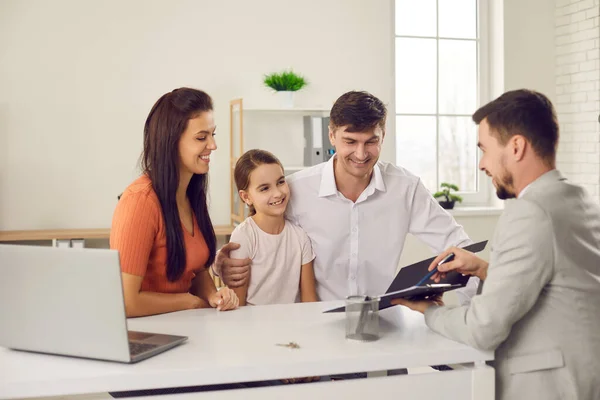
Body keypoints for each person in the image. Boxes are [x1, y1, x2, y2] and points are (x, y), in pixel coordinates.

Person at [394, 89, 600, 400]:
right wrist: (483, 269)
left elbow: (482, 329)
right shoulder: (577, 199)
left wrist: (427, 311)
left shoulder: (529, 213)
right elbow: (560, 287)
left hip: (547, 387)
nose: (481, 164)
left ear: (516, 147)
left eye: (485, 150)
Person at [215, 91, 477, 304]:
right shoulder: (297, 189)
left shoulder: (405, 188)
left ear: (383, 136)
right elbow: (263, 235)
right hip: (316, 321)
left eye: (371, 142)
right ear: (332, 136)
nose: (361, 154)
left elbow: (456, 244)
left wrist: (482, 297)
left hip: (381, 317)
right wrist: (224, 264)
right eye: (350, 141)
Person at [110, 88, 238, 317]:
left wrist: (211, 294)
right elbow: (125, 302)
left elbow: (194, 270)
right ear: (170, 142)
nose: (213, 145)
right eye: (201, 137)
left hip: (186, 328)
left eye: (213, 135)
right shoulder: (140, 202)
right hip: (147, 335)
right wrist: (189, 302)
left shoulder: (190, 194)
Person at [229, 149, 318, 306]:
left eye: (280, 182)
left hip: (294, 327)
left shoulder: (299, 237)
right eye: (264, 188)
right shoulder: (244, 236)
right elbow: (237, 303)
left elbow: (309, 300)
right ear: (246, 197)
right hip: (252, 328)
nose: (277, 193)